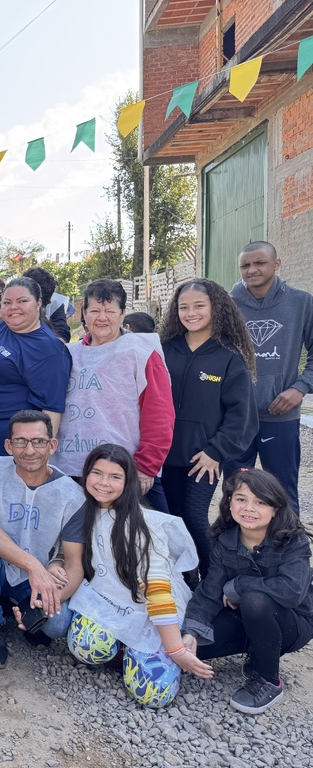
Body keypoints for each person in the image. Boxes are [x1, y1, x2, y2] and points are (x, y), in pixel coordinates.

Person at [59, 444, 213, 709]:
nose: (104, 483)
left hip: (151, 610)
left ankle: (147, 650)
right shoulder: (84, 510)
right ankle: (124, 649)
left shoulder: (143, 526)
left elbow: (158, 591)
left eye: (115, 477)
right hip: (108, 599)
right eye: (97, 473)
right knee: (86, 646)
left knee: (153, 695)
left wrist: (175, 649)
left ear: (128, 481)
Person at [182, 469, 313, 715]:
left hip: (292, 623)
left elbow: (292, 591)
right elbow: (209, 591)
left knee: (255, 600)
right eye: (241, 499)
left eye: (260, 502)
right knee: (189, 651)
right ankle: (255, 650)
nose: (249, 508)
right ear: (229, 502)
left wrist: (239, 586)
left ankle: (268, 680)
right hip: (243, 619)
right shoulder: (225, 540)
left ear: (275, 508)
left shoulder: (292, 541)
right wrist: (189, 631)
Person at [0, 411, 85, 669]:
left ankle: (28, 616)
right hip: (0, 570)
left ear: (52, 445)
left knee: (57, 624)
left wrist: (43, 606)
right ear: (9, 445)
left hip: (35, 584)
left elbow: (75, 564)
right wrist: (34, 566)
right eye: (20, 441)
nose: (30, 450)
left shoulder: (73, 494)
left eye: (39, 441)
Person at [160, 278, 258, 578]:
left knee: (194, 516)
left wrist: (215, 452)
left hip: (202, 459)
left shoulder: (228, 357)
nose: (191, 313)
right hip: (164, 456)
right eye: (183, 307)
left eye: (199, 306)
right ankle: (186, 581)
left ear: (216, 308)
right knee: (171, 520)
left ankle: (214, 580)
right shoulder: (163, 350)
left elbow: (241, 415)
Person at [54, 279, 174, 513]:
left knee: (146, 539)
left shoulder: (141, 353)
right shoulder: (68, 354)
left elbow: (160, 413)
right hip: (72, 468)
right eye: (95, 310)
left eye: (110, 311)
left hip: (125, 471)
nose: (102, 318)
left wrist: (147, 466)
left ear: (122, 314)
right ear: (84, 314)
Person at [227, 241, 313, 516]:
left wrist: (300, 388)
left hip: (281, 415)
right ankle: (234, 554)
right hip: (236, 418)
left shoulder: (301, 302)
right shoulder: (227, 305)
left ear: (277, 264)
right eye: (245, 265)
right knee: (235, 491)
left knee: (282, 492)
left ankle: (290, 553)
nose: (252, 270)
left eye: (259, 263)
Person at [0, 276, 72, 465]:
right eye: (7, 302)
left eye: (22, 301)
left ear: (38, 303)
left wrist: (37, 461)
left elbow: (52, 410)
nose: (13, 307)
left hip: (5, 451)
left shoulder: (50, 350)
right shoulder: (6, 325)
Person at [23, 266, 71, 342]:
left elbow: (62, 332)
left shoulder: (55, 303)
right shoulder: (12, 304)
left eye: (45, 302)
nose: (40, 306)